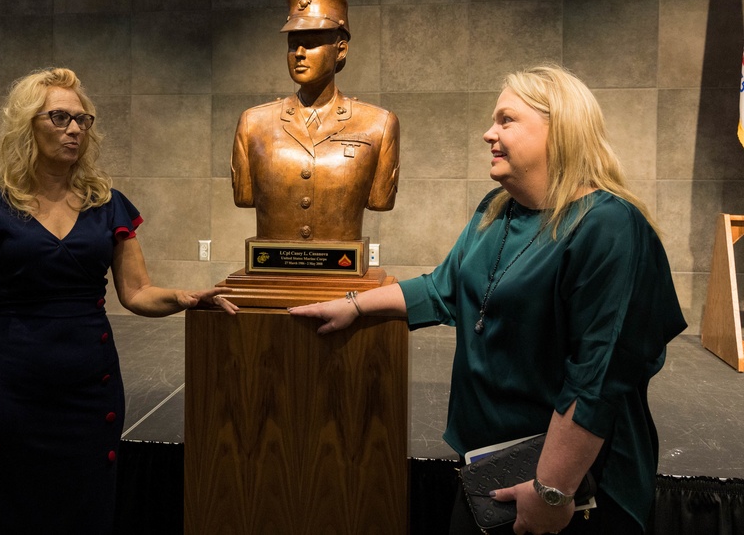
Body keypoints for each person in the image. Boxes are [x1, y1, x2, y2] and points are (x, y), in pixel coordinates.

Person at [289, 64, 686, 535]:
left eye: (506, 120)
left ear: (559, 131)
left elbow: (595, 379)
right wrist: (354, 305)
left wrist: (552, 489)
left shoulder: (609, 226)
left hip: (571, 489)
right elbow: (442, 288)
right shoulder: (495, 210)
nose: (487, 133)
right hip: (490, 468)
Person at [0, 67, 237, 534]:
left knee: (87, 513)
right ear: (27, 124)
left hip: (89, 396)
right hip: (12, 392)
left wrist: (183, 296)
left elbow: (136, 292)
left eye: (83, 119)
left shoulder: (108, 205)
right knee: (11, 512)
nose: (74, 129)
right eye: (59, 117)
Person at [232, 0, 399, 241]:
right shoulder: (253, 123)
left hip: (342, 271)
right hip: (271, 271)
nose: (299, 54)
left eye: (311, 44)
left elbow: (380, 200)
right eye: (293, 44)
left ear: (341, 50)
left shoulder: (378, 125)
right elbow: (244, 196)